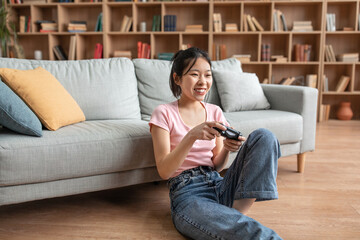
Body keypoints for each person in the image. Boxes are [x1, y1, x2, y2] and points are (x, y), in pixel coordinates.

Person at [149, 47, 282, 240]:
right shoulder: (163, 113)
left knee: (265, 136)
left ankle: (233, 214)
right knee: (249, 231)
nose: (203, 81)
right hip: (188, 194)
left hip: (219, 184)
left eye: (207, 75)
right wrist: (191, 135)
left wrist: (227, 149)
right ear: (177, 79)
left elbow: (217, 165)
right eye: (194, 74)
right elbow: (164, 171)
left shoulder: (215, 111)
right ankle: (231, 220)